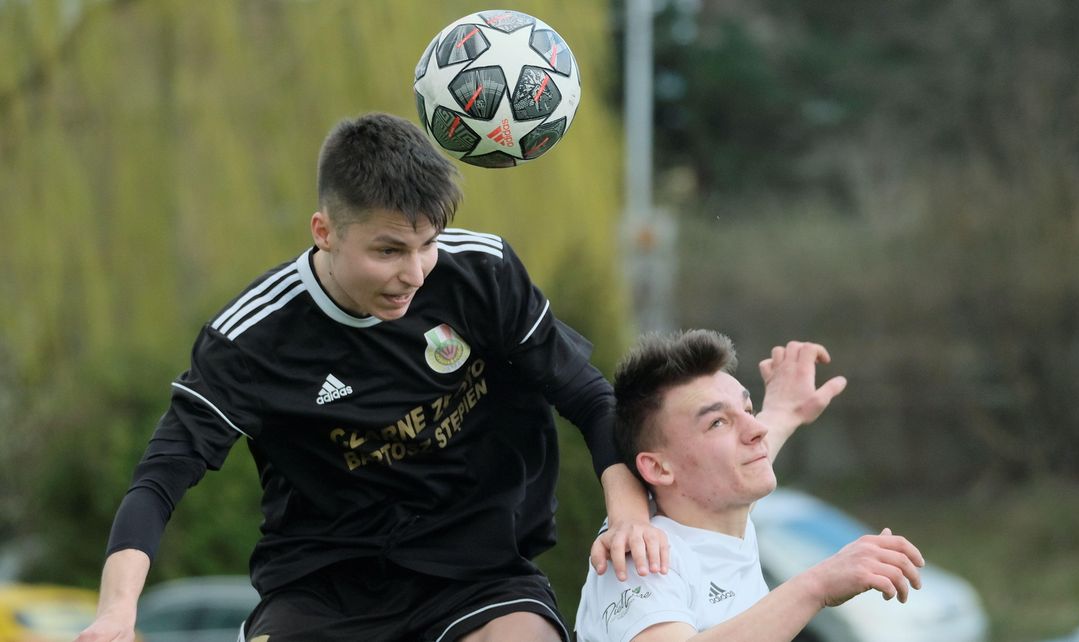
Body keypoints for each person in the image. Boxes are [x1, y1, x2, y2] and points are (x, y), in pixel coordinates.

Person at [76, 112, 666, 642]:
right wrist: (117, 612)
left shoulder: (482, 274)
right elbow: (160, 477)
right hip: (321, 590)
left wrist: (629, 513)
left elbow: (588, 396)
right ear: (324, 231)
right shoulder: (252, 339)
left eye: (427, 244)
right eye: (388, 251)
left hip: (478, 573)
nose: (414, 273)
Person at [575, 331, 925, 642]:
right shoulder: (640, 554)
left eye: (747, 408)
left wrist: (784, 411)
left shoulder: (713, 515)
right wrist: (817, 585)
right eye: (717, 423)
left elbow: (744, 455)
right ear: (658, 468)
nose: (756, 430)